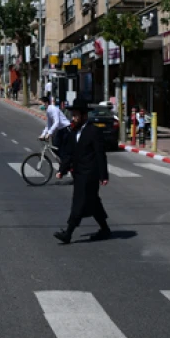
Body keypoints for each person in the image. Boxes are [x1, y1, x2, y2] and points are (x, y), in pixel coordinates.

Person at [53, 98, 111, 244]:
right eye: (72, 115)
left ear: (84, 116)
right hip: (78, 174)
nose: (73, 118)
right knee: (93, 203)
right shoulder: (73, 132)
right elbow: (69, 154)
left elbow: (100, 154)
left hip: (90, 174)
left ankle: (68, 233)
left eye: (76, 115)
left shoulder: (93, 131)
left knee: (78, 202)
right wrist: (62, 170)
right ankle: (105, 229)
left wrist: (103, 175)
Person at [39, 95, 71, 161]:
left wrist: (49, 133)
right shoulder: (48, 111)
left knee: (62, 148)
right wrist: (43, 134)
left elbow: (56, 122)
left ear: (46, 103)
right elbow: (48, 124)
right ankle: (64, 162)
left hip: (66, 128)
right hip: (60, 129)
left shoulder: (53, 109)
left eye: (41, 103)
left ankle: (66, 163)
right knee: (55, 147)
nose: (40, 105)